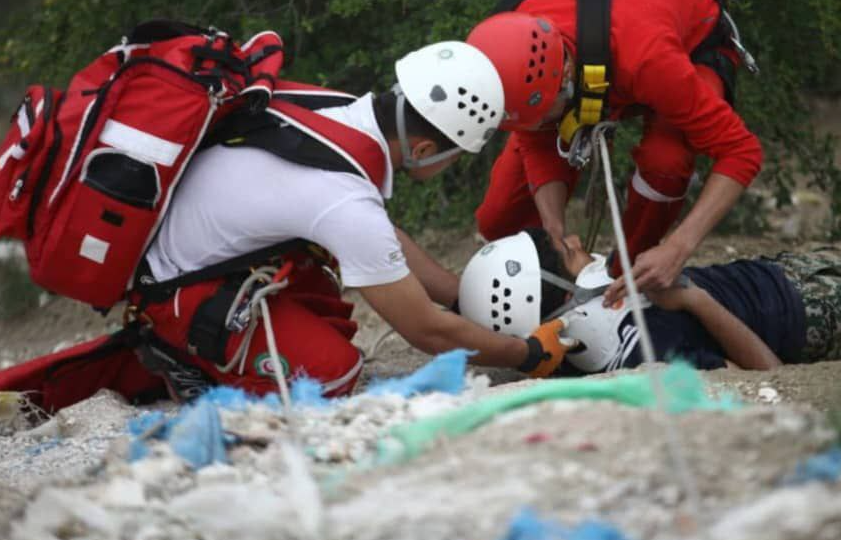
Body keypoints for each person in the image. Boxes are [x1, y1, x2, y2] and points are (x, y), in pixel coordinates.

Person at [0, 41, 572, 414]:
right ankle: (181, 359)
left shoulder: (335, 108)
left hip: (186, 253)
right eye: (455, 155)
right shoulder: (343, 198)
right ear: (423, 148)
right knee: (333, 373)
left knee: (329, 312)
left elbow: (381, 241)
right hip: (172, 288)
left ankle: (194, 343)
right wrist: (523, 353)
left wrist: (455, 291)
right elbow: (428, 333)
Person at [465, 0, 764, 305]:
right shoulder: (509, 49)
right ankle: (544, 291)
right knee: (498, 220)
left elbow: (742, 152)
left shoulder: (648, 60)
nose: (542, 127)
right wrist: (553, 232)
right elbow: (535, 139)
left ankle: (625, 277)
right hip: (604, 51)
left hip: (690, 43)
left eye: (546, 116)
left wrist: (677, 247)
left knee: (664, 162)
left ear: (563, 78)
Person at [457, 230, 841, 374]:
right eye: (552, 258)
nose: (568, 248)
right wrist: (693, 302)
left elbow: (585, 268)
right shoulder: (638, 351)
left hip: (783, 276)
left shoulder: (577, 326)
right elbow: (770, 373)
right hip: (821, 314)